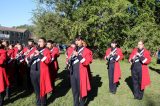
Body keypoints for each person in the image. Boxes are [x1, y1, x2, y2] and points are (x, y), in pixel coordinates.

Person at [29, 37, 52, 106]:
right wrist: (31, 56)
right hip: (33, 72)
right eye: (38, 41)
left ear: (45, 43)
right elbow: (27, 58)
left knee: (43, 88)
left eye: (41, 41)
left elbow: (48, 61)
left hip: (41, 73)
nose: (39, 43)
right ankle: (38, 102)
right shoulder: (34, 50)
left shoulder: (46, 51)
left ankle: (43, 103)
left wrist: (39, 54)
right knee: (36, 89)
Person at [70, 36, 93, 106]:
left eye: (78, 40)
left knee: (82, 91)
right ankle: (75, 104)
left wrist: (78, 55)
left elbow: (87, 62)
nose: (76, 42)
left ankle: (82, 104)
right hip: (73, 72)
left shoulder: (87, 51)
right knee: (74, 91)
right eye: (76, 41)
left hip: (81, 73)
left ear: (82, 41)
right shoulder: (74, 50)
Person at [0, 41, 9, 106]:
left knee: (1, 87)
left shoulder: (3, 51)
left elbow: (1, 61)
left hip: (1, 72)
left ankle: (1, 102)